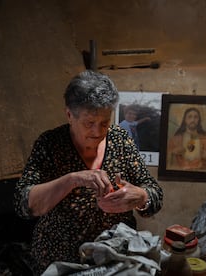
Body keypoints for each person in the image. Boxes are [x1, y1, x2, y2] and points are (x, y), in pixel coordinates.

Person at [14, 70, 163, 275]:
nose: (98, 132)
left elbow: (155, 194)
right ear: (69, 115)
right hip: (60, 257)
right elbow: (23, 204)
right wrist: (74, 179)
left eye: (104, 123)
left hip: (114, 257)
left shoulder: (120, 139)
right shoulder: (50, 144)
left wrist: (141, 196)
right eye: (89, 123)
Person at [167, 107, 206, 171]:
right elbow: (166, 161)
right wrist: (173, 152)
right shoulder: (175, 140)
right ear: (185, 120)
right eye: (189, 117)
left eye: (196, 117)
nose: (193, 120)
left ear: (199, 120)